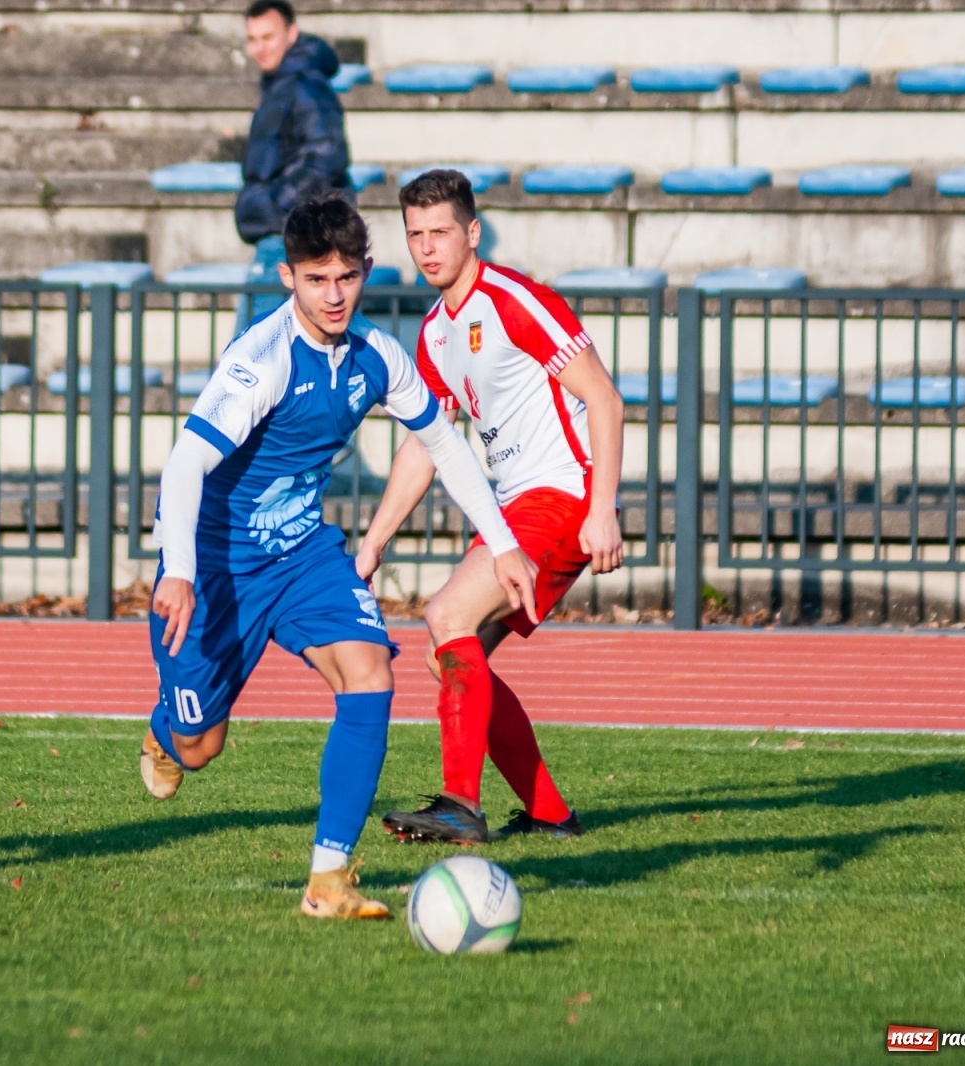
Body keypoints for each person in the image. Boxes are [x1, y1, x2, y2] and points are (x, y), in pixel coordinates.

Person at [140, 195, 536, 919]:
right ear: (288, 277)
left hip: (303, 554)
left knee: (371, 671)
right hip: (217, 563)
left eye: (346, 278)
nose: (333, 295)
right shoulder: (261, 363)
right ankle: (166, 729)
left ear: (365, 274)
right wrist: (179, 572)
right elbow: (185, 462)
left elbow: (445, 444)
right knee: (201, 747)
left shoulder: (376, 355)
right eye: (316, 280)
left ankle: (329, 879)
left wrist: (504, 545)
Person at [356, 169, 626, 844]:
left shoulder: (514, 301)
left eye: (440, 232)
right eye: (414, 235)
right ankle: (551, 815)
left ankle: (461, 804)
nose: (426, 248)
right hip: (513, 514)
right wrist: (374, 540)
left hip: (559, 498)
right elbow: (426, 447)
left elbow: (605, 397)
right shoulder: (434, 331)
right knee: (454, 650)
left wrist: (604, 508)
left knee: (446, 614)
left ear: (471, 232)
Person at [235, 0, 352, 328]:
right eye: (253, 39)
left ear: (292, 33)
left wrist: (273, 205)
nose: (260, 48)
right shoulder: (280, 85)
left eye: (268, 37)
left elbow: (326, 157)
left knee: (254, 356)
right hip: (284, 238)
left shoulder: (304, 84)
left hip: (290, 238)